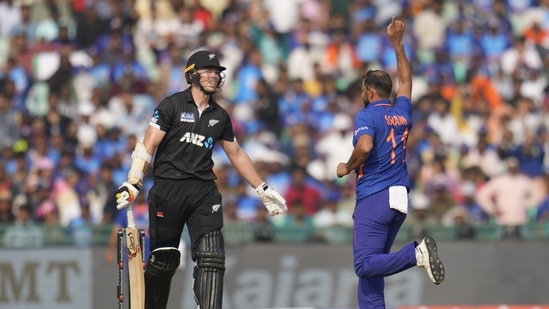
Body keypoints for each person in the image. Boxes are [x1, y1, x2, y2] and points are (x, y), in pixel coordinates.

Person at [114, 49, 287, 309]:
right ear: (192, 74)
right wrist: (134, 181)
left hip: (203, 190)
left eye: (217, 73)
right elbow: (149, 142)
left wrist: (261, 188)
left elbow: (236, 153)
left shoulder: (220, 116)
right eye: (208, 71)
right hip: (168, 187)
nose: (214, 76)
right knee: (164, 260)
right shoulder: (171, 105)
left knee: (212, 257)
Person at [336, 17, 445, 309]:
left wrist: (346, 166)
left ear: (370, 93)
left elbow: (365, 146)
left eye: (362, 90)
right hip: (399, 197)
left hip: (375, 196)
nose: (361, 95)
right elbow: (407, 81)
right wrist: (398, 44)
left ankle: (416, 253)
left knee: (364, 265)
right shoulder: (401, 113)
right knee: (371, 280)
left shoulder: (367, 115)